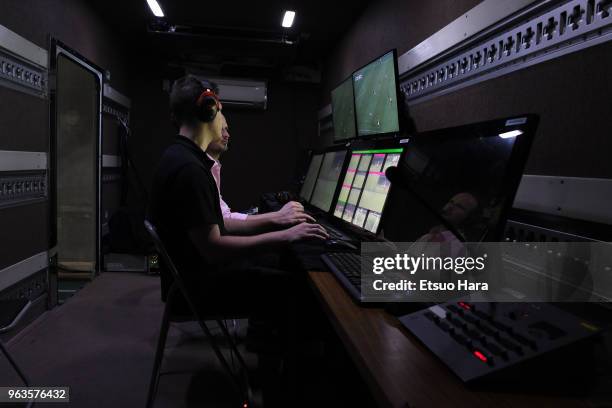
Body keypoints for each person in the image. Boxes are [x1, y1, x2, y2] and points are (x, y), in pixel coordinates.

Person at [148, 75, 328, 316]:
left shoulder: (180, 157)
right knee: (303, 287)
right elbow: (214, 248)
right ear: (208, 111)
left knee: (282, 261)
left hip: (191, 280)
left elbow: (217, 227)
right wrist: (285, 236)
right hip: (196, 291)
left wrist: (280, 228)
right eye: (220, 111)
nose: (223, 120)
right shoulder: (190, 170)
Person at [204, 111, 315, 233]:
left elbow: (223, 215)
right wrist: (278, 217)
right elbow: (223, 221)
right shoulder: (199, 169)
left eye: (226, 129)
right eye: (221, 130)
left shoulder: (212, 166)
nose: (227, 135)